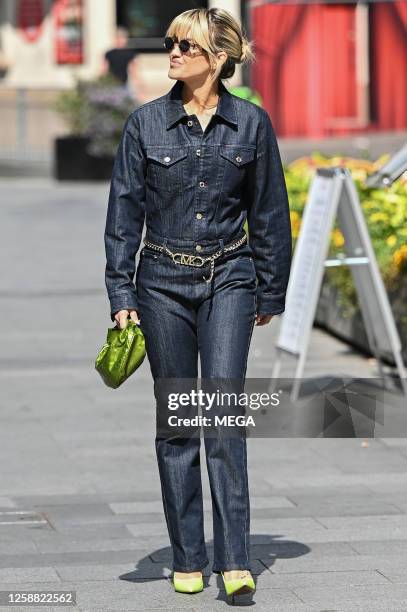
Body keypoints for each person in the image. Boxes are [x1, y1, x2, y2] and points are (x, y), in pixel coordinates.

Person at [104, 7, 292, 600]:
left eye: (186, 44)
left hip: (229, 279)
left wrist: (269, 288)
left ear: (219, 57)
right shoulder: (145, 125)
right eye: (171, 43)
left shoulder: (252, 126)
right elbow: (123, 214)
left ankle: (235, 560)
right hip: (160, 281)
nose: (174, 52)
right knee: (180, 423)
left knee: (223, 418)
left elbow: (268, 211)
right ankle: (188, 554)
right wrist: (121, 292)